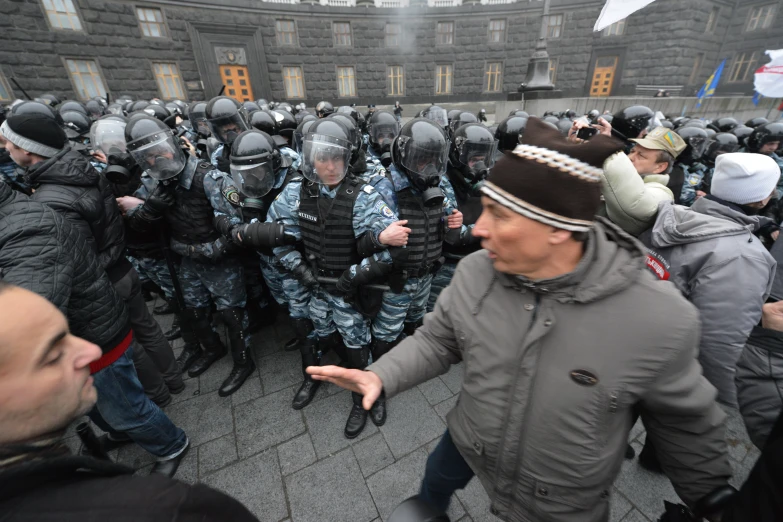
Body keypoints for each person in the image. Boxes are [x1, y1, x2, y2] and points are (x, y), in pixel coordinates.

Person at [308, 120, 733, 522]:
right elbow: (438, 340)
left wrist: (712, 497)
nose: (481, 229)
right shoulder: (478, 273)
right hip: (468, 438)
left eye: (501, 215)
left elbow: (685, 423)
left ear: (558, 229)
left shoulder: (657, 318)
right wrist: (380, 376)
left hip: (559, 497)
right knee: (436, 483)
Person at [0, 282, 260, 522]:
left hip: (106, 324)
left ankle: (171, 446)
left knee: (127, 406)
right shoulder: (159, 508)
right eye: (54, 355)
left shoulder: (160, 507)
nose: (89, 350)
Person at [0, 179, 189, 476]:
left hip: (95, 334)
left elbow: (32, 312)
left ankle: (171, 445)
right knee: (99, 406)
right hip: (86, 327)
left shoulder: (23, 231)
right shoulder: (15, 218)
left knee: (126, 406)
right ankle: (121, 432)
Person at [266, 118, 408, 436]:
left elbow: (392, 251)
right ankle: (323, 376)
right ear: (310, 159)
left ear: (347, 159)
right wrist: (301, 270)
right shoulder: (294, 194)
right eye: (322, 158)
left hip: (349, 291)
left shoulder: (364, 196)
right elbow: (275, 239)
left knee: (358, 344)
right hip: (314, 287)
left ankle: (365, 398)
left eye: (336, 158)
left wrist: (352, 276)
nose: (329, 166)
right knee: (319, 334)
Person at [118, 115, 249, 396]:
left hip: (217, 259)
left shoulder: (211, 179)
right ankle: (212, 348)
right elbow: (138, 220)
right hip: (186, 258)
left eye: (160, 152)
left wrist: (206, 250)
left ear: (175, 145)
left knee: (231, 313)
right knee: (193, 307)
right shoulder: (153, 181)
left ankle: (243, 361)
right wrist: (149, 207)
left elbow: (235, 229)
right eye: (148, 157)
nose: (156, 161)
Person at [641, 152, 778, 407]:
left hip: (635, 348)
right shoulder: (743, 256)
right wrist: (716, 398)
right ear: (762, 198)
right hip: (675, 378)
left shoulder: (672, 215)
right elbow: (720, 340)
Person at [571, 118, 684, 236]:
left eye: (641, 155)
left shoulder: (663, 194)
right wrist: (576, 147)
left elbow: (636, 202)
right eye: (632, 151)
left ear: (659, 167)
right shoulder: (614, 175)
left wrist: (605, 148)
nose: (630, 157)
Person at [427, 123, 496, 311]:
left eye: (484, 159)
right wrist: (490, 228)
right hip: (448, 266)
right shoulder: (442, 182)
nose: (480, 166)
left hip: (482, 261)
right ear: (459, 157)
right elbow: (453, 235)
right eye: (474, 160)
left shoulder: (491, 180)